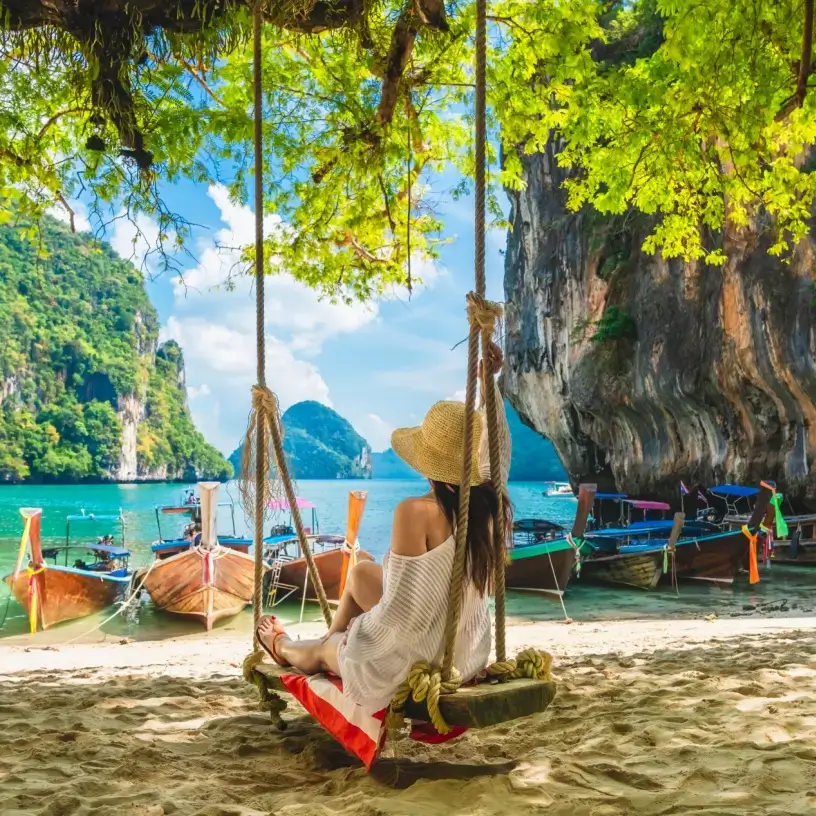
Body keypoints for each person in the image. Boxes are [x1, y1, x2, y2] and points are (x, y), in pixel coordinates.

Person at [256, 341, 511, 714]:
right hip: (465, 651)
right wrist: (489, 384)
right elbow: (498, 448)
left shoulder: (414, 512)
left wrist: (354, 642)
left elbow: (401, 616)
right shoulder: (489, 502)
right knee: (360, 572)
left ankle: (284, 646)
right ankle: (330, 638)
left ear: (426, 466)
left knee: (332, 650)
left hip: (418, 662)